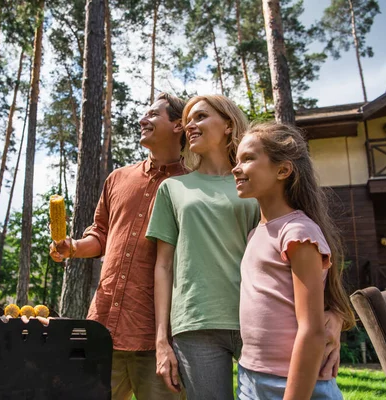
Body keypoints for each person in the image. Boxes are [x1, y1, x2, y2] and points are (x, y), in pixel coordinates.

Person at [146, 95, 345, 400]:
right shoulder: (173, 188)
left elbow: (306, 251)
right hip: (196, 320)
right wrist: (162, 339)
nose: (190, 125)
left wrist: (335, 314)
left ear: (228, 124)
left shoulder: (257, 184)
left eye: (200, 116)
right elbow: (163, 265)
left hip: (260, 323)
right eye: (187, 120)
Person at [49, 92, 187, 400]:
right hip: (104, 326)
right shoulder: (118, 178)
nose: (143, 119)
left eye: (153, 114)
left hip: (161, 337)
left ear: (178, 126)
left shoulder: (192, 185)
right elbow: (100, 235)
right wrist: (72, 247)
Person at [231, 122, 356, 399]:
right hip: (250, 377)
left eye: (248, 158)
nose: (236, 168)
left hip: (295, 383)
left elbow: (311, 330)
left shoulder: (297, 232)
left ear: (283, 170)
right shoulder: (256, 232)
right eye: (237, 160)